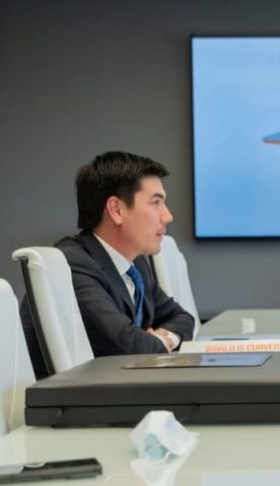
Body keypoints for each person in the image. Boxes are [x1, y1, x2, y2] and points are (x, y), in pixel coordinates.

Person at [22, 151, 194, 369]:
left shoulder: (136, 265)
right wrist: (160, 341)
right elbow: (130, 347)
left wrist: (161, 340)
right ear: (116, 210)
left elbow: (182, 318)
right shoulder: (72, 265)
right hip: (79, 390)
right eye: (155, 202)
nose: (168, 216)